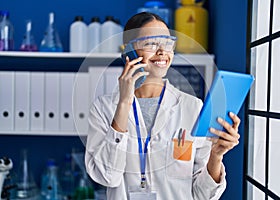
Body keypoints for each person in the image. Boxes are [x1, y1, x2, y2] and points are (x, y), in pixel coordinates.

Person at [85, 12, 240, 200]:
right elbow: (107, 177)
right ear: (129, 51)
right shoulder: (104, 109)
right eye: (151, 43)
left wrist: (216, 156)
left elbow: (203, 195)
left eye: (167, 43)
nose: (162, 52)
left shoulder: (192, 107)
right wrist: (124, 103)